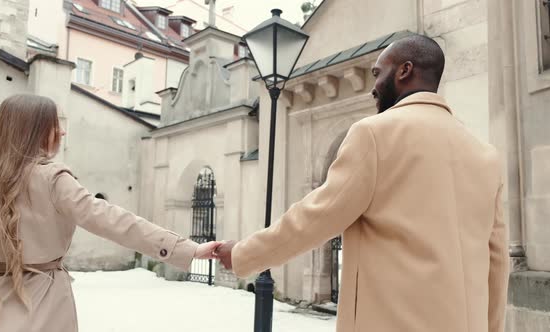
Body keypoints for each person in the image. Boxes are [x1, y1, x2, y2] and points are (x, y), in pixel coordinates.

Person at [216, 35, 509, 332]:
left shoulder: (374, 134)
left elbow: (316, 217)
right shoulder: (485, 155)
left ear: (404, 71)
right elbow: (497, 264)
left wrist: (242, 253)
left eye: (378, 73)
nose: (373, 87)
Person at [0, 94, 221, 332]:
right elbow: (111, 220)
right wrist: (186, 249)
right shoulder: (51, 178)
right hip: (39, 307)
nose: (61, 132)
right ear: (34, 131)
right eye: (53, 125)